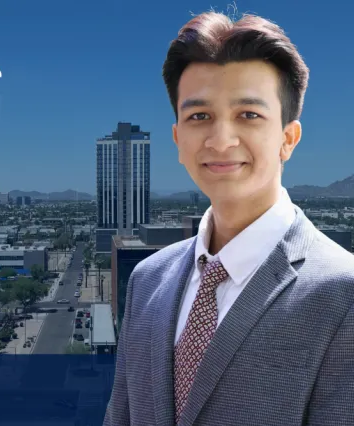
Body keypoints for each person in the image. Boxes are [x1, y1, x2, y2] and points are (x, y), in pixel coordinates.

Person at [104, 11, 354, 426]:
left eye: (248, 115)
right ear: (178, 138)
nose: (221, 140)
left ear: (288, 138)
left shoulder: (343, 296)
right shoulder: (148, 279)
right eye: (199, 116)